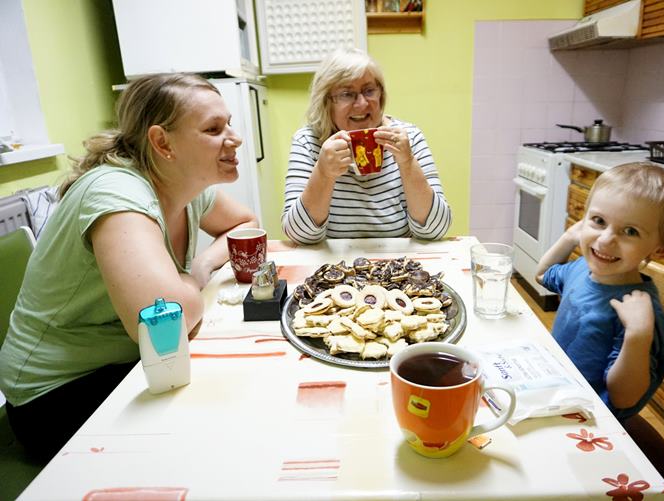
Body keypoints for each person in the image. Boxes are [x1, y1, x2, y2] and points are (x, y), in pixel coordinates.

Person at [0, 73, 258, 461]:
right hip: (56, 393)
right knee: (221, 422)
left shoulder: (185, 188)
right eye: (213, 129)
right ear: (162, 143)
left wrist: (201, 266)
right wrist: (188, 286)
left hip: (133, 361)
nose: (234, 138)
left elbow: (246, 224)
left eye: (229, 125)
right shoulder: (115, 192)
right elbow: (164, 320)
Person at [535, 162, 664, 422]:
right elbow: (542, 275)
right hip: (556, 391)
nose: (606, 240)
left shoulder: (639, 311)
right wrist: (570, 237)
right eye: (598, 221)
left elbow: (623, 398)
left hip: (589, 420)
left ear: (661, 248)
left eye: (630, 231)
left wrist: (637, 335)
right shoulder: (581, 268)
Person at [282, 47, 451, 244]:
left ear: (381, 95)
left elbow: (435, 229)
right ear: (326, 102)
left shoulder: (409, 138)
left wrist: (407, 163)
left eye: (369, 91)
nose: (362, 104)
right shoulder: (308, 141)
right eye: (347, 94)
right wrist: (323, 173)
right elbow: (299, 235)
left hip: (397, 261)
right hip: (333, 262)